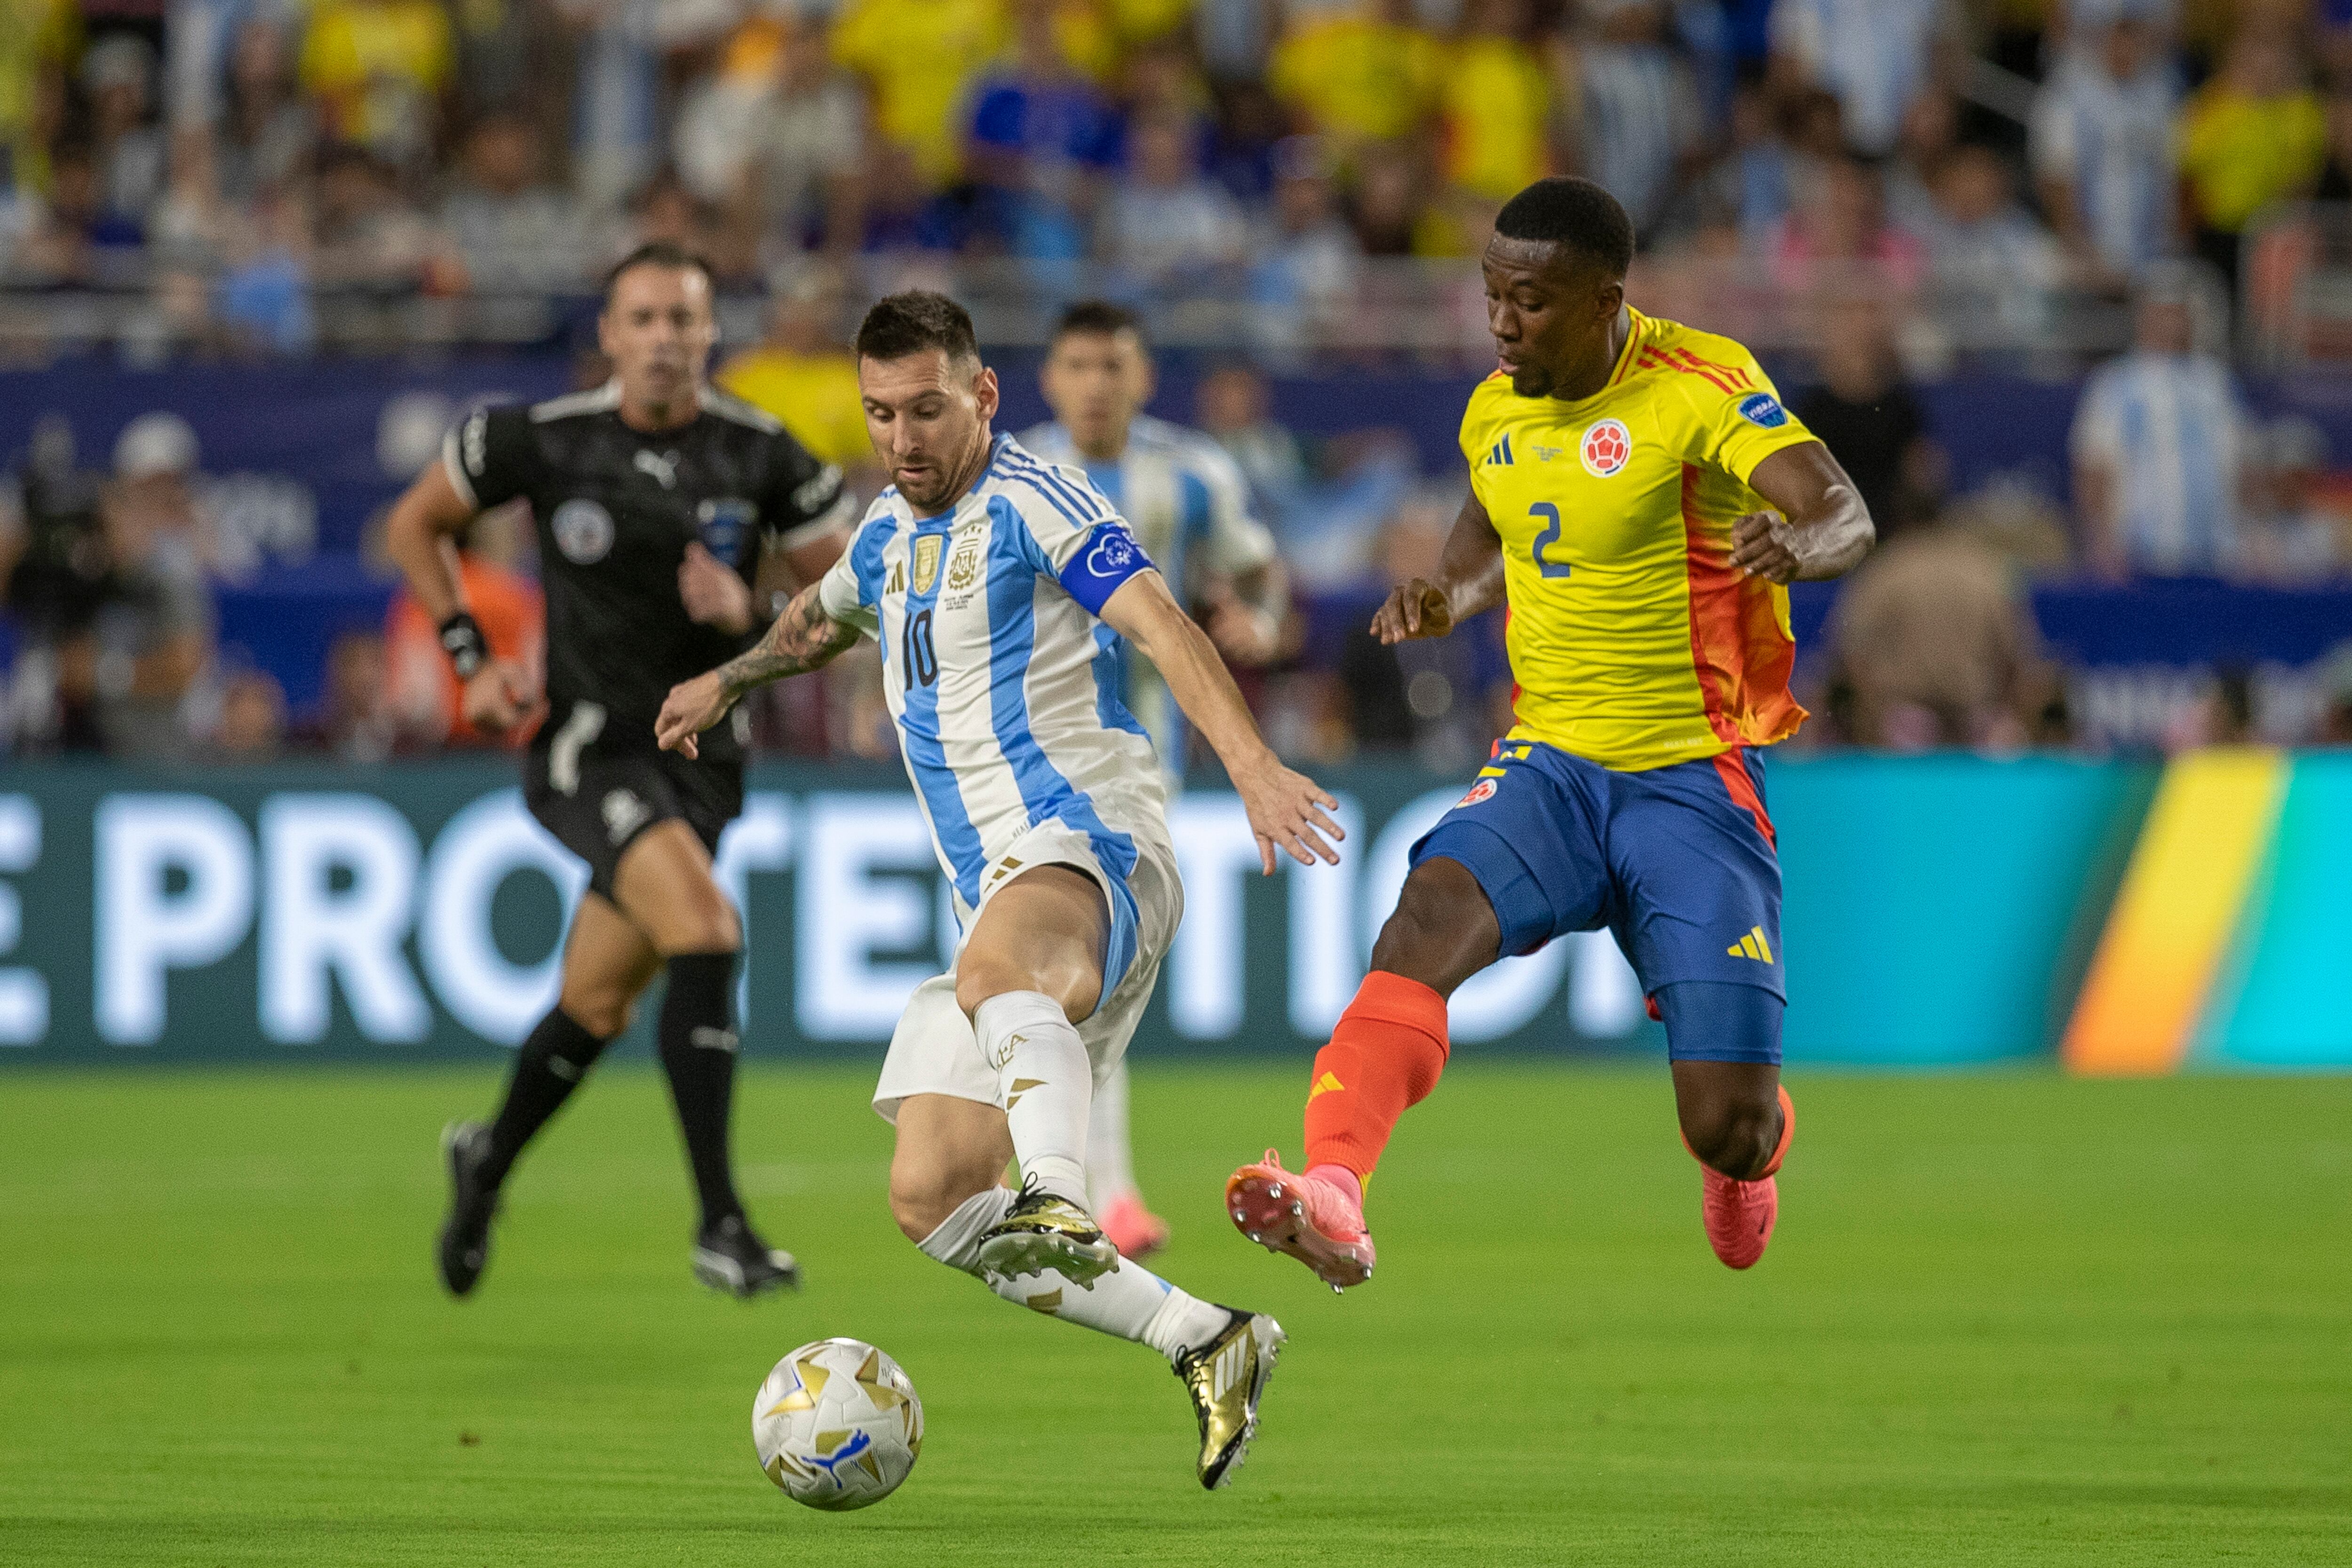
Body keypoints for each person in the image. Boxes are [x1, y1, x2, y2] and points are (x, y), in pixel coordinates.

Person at [653, 290, 1342, 1487]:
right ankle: (1208, 1340)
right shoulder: (882, 534)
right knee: (929, 1194)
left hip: (1093, 835)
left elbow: (1165, 622)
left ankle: (1062, 1198)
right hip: (1002, 886)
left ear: (981, 395)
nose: (903, 437)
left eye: (926, 408)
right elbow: (818, 622)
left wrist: (1250, 764)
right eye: (879, 414)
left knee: (993, 979)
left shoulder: (1033, 497)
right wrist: (730, 679)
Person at [1224, 176, 1874, 1288]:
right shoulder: (1498, 407)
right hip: (1551, 765)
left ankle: (1744, 1159)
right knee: (1420, 925)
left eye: (1528, 300)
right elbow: (1491, 530)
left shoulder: (1697, 385)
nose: (1501, 320)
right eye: (1491, 293)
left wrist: (1797, 546)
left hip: (1690, 780)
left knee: (1728, 1122)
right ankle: (1335, 1194)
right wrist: (1447, 594)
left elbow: (1842, 511)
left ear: (1604, 301)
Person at [383, 241, 857, 1301]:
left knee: (594, 1004)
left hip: (707, 756)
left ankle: (487, 1157)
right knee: (706, 927)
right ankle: (721, 1223)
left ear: (709, 334)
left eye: (680, 321)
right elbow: (416, 527)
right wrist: (474, 660)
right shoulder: (540, 441)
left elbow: (854, 607)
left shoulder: (763, 453)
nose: (660, 341)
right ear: (606, 335)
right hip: (591, 746)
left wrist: (749, 619)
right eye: (640, 319)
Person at [1019, 299, 1290, 1260]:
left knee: (1083, 978)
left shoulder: (1191, 475)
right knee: (1060, 981)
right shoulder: (1009, 474)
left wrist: (1255, 619)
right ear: (1050, 378)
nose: (1096, 383)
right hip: (1013, 758)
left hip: (1137, 761)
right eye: (1079, 365)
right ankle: (1084, 1190)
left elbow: (1259, 574)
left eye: (1113, 365)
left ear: (1140, 377)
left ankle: (1091, 1191)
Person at [2070, 268, 2244, 579]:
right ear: (2144, 318)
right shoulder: (2115, 383)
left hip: (2215, 553)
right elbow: (2093, 465)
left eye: (2179, 314)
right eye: (2163, 314)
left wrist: (2250, 534)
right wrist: (2100, 542)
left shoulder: (2215, 381)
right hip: (2139, 553)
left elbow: (2239, 461)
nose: (2173, 324)